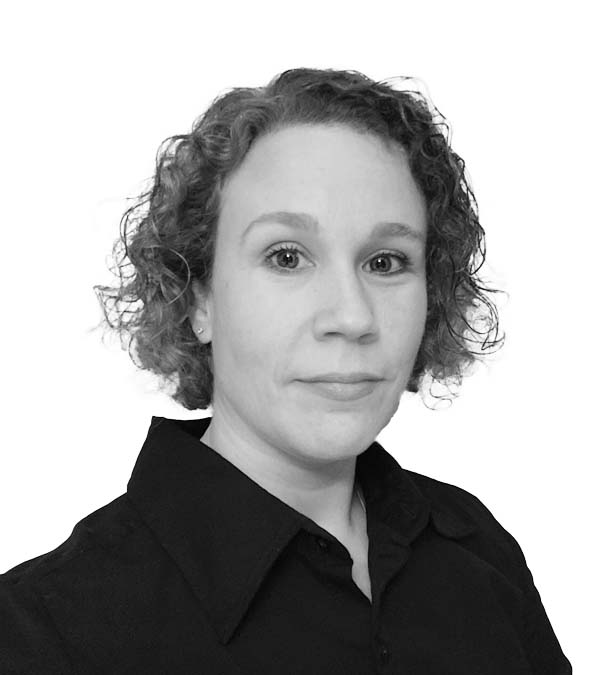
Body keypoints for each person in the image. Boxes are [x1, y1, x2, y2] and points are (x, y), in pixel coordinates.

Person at [0, 68, 571, 673]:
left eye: (385, 261)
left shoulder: (478, 551)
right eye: (287, 257)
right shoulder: (44, 634)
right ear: (198, 297)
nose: (352, 317)